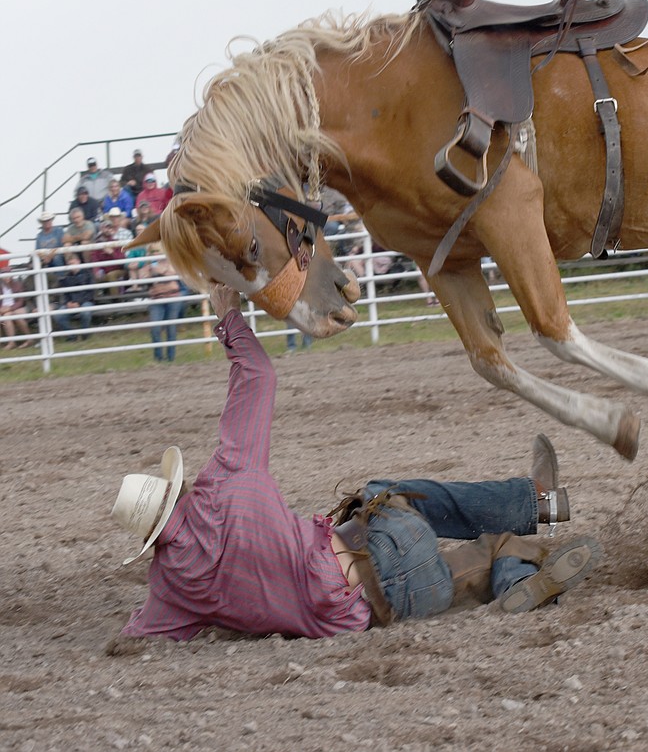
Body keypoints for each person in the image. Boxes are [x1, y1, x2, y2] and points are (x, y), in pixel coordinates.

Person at [109, 283, 600, 641]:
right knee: (385, 491)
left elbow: (140, 636)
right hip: (379, 550)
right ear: (179, 491)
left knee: (482, 557)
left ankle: (517, 576)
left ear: (150, 540)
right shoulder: (223, 480)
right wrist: (227, 314)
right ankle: (537, 502)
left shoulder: (171, 589)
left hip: (379, 611)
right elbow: (257, 375)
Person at [143, 245, 183, 362]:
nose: (155, 253)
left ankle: (170, 358)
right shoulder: (149, 265)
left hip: (173, 297)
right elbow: (143, 277)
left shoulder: (173, 261)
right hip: (156, 298)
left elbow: (173, 274)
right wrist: (159, 272)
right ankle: (159, 358)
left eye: (157, 251)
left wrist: (156, 272)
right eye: (153, 251)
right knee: (155, 327)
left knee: (171, 328)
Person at [56, 252, 95, 339]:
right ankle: (72, 336)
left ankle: (85, 334)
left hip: (86, 301)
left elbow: (90, 292)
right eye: (69, 264)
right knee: (58, 316)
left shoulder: (88, 274)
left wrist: (78, 302)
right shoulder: (66, 277)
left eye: (72, 263)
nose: (71, 266)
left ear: (78, 261)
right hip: (73, 303)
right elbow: (65, 293)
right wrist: (68, 303)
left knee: (85, 312)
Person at [0, 273, 32, 349]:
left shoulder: (17, 284)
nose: (7, 278)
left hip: (15, 308)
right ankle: (9, 342)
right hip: (3, 309)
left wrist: (10, 308)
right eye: (4, 276)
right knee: (6, 317)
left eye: (8, 275)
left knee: (8, 316)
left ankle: (12, 343)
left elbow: (21, 301)